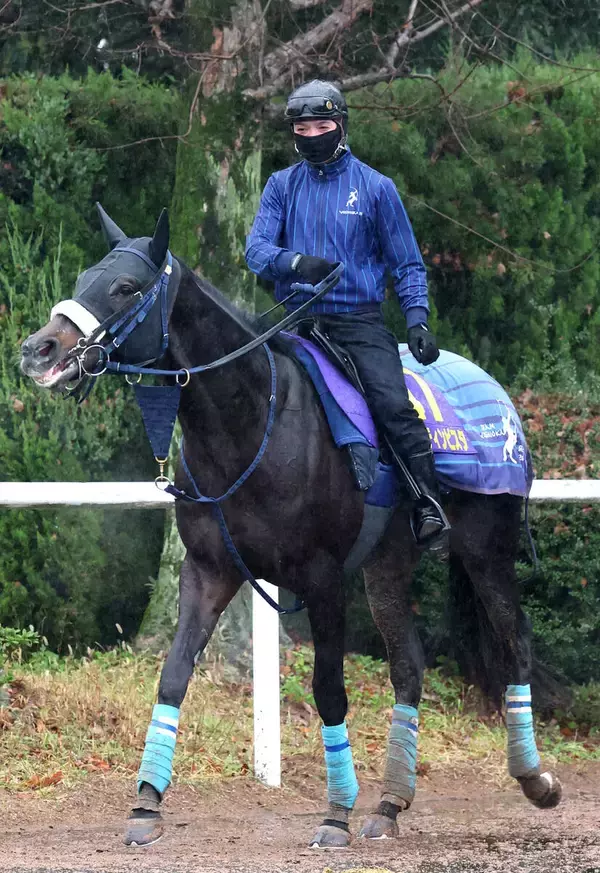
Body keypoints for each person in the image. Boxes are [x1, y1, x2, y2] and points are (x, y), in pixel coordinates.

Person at [245, 79, 446, 548]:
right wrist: (294, 263)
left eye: (322, 125)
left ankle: (427, 503)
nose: (312, 134)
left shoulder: (377, 188)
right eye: (302, 127)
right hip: (294, 322)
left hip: (358, 323)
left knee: (394, 406)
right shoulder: (280, 186)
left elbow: (407, 264)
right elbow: (255, 250)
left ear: (341, 125)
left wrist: (417, 318)